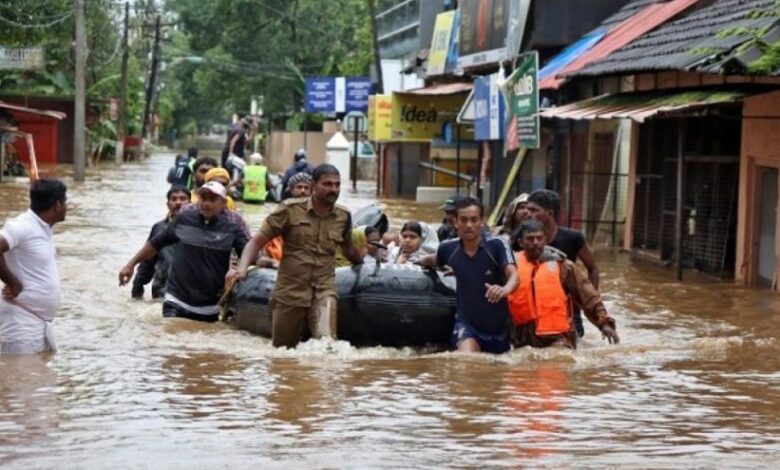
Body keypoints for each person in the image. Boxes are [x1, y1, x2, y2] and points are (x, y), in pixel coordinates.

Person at [231, 163, 364, 348]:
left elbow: (348, 248)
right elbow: (256, 242)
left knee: (327, 345)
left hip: (324, 289)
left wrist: (365, 260)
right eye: (327, 184)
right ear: (314, 185)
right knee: (283, 351)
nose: (333, 189)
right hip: (290, 291)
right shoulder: (289, 210)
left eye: (337, 184)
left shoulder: (343, 216)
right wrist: (242, 268)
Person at [119, 181, 250, 322]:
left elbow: (249, 253)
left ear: (223, 203)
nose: (206, 204)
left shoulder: (232, 228)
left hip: (210, 307)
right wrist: (130, 265)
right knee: (170, 332)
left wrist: (242, 268)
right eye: (203, 198)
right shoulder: (184, 220)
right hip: (176, 300)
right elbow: (155, 244)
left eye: (212, 199)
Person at [418, 197, 518, 354]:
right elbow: (432, 260)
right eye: (463, 220)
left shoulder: (497, 245)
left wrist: (504, 289)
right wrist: (411, 262)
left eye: (474, 220)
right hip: (467, 326)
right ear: (455, 222)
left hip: (499, 330)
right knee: (466, 361)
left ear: (482, 222)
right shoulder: (447, 248)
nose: (469, 225)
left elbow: (514, 276)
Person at [508, 219, 619, 349]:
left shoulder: (563, 266)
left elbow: (588, 296)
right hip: (520, 337)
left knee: (559, 358)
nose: (536, 242)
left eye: (539, 238)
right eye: (530, 239)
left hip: (557, 337)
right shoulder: (509, 266)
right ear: (521, 242)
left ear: (545, 240)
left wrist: (603, 323)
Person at [0, 179, 67, 354]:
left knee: (41, 371)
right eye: (65, 202)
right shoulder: (22, 226)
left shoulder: (43, 228)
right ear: (57, 205)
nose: (66, 207)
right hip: (21, 322)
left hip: (40, 322)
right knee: (19, 371)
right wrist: (12, 282)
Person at [526, 189, 600, 338]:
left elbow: (592, 268)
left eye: (534, 210)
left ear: (549, 213)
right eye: (527, 209)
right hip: (536, 310)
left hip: (569, 311)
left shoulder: (573, 238)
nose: (528, 214)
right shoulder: (524, 240)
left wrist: (588, 301)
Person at [131, 186, 191, 299]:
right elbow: (148, 260)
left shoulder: (198, 229)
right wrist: (137, 286)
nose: (178, 202)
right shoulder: (159, 228)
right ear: (168, 204)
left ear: (190, 203)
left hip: (187, 290)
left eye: (183, 199)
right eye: (174, 199)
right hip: (161, 289)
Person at [256, 172, 313, 267]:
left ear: (311, 192)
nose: (303, 190)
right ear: (292, 190)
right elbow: (261, 242)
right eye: (299, 187)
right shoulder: (280, 213)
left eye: (306, 188)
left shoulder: (316, 215)